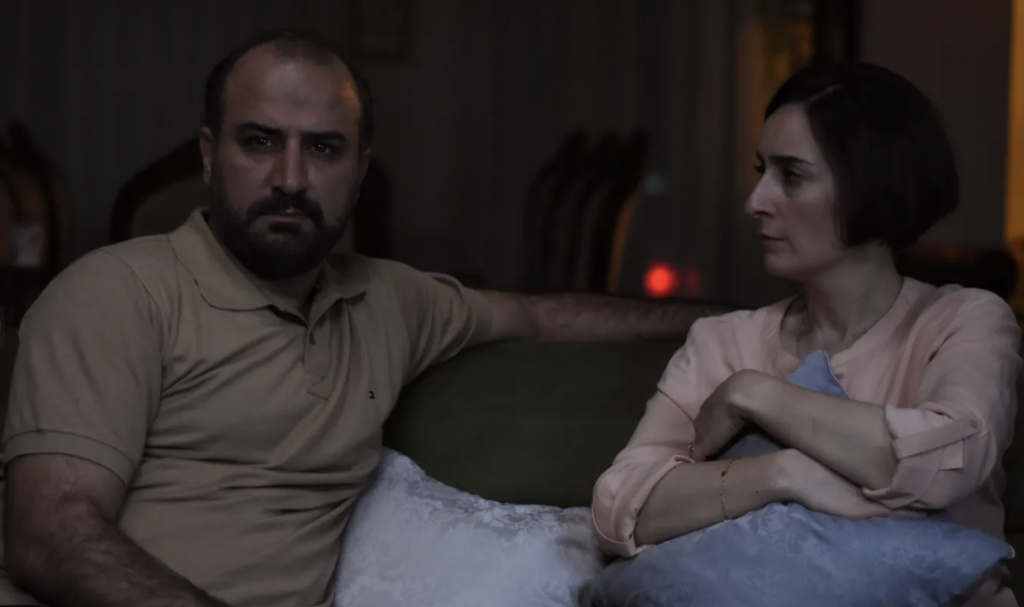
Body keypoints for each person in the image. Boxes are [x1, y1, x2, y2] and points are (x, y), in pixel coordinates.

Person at [0, 28, 732, 607]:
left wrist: (749, 319)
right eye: (260, 141)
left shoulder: (388, 301)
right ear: (209, 155)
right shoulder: (117, 292)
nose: (290, 178)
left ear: (359, 170)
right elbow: (46, 534)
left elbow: (541, 317)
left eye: (323, 149)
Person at [591, 62, 1022, 606]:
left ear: (873, 183)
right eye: (761, 171)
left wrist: (756, 393)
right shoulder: (722, 341)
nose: (755, 201)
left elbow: (947, 461)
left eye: (791, 175)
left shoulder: (964, 319)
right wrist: (781, 474)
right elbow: (619, 506)